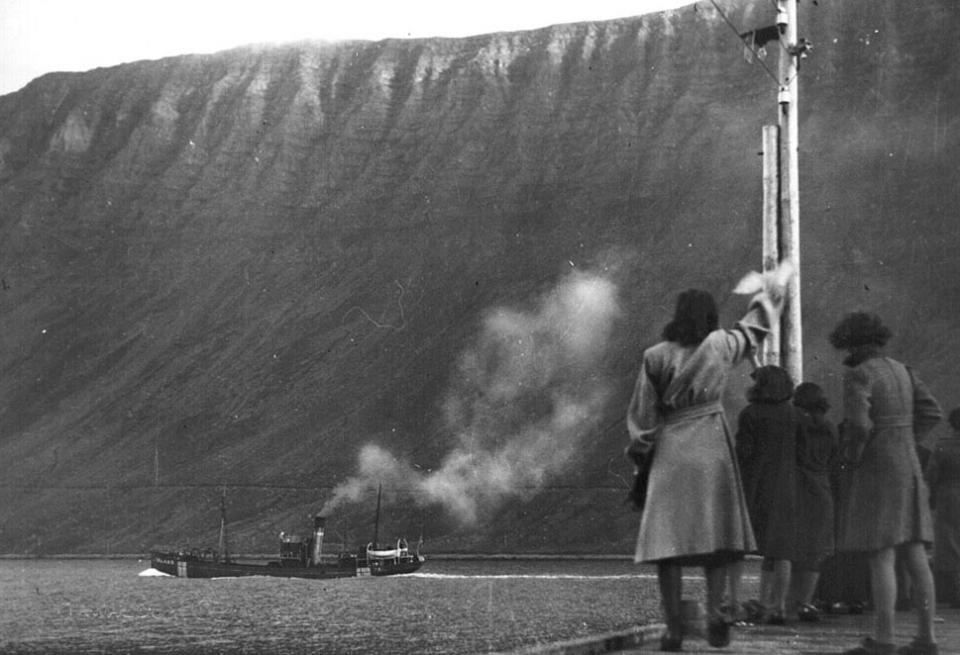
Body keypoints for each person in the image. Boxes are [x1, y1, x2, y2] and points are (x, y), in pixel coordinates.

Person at [625, 287, 781, 652]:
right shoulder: (721, 344)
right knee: (717, 542)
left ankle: (673, 630)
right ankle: (714, 614)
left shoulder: (655, 356)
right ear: (711, 315)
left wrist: (641, 458)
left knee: (667, 546)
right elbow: (754, 327)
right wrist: (770, 290)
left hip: (671, 450)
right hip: (712, 447)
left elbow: (642, 416)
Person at [830, 312, 942, 655]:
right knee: (915, 554)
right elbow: (932, 412)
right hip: (909, 466)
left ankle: (884, 639)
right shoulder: (903, 370)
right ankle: (926, 639)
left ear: (850, 343)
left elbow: (859, 426)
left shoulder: (859, 374)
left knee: (881, 554)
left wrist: (851, 457)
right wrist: (905, 437)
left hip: (877, 468)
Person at [735, 365, 800, 625]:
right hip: (790, 486)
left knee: (758, 546)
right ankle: (777, 605)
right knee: (782, 549)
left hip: (759, 485)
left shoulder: (750, 414)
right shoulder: (795, 415)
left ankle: (761, 602)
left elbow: (744, 453)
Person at [789, 381, 838, 622]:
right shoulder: (830, 427)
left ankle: (788, 601)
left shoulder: (795, 424)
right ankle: (805, 602)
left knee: (792, 548)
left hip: (798, 488)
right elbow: (834, 457)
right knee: (815, 550)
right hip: (822, 488)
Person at [925, 407, 960, 608]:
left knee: (951, 543)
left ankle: (957, 592)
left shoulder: (943, 446)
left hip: (949, 497)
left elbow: (931, 475)